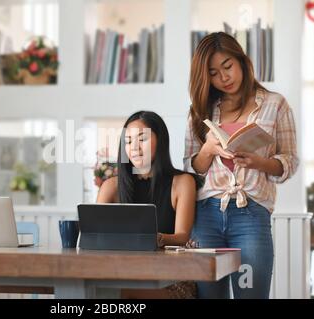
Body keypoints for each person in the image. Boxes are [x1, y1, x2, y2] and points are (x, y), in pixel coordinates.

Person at [184, 32, 299, 299]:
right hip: (206, 216)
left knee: (251, 295)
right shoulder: (200, 110)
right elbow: (191, 169)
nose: (224, 77)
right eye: (213, 73)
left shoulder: (275, 104)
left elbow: (290, 162)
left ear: (242, 61)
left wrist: (260, 162)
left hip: (251, 215)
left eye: (228, 66)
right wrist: (208, 150)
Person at [97, 110, 199, 298]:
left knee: (113, 293)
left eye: (141, 139)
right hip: (121, 273)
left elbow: (182, 237)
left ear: (160, 141)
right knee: (97, 290)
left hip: (173, 277)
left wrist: (155, 238)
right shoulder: (110, 187)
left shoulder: (182, 182)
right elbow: (94, 236)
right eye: (128, 141)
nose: (134, 148)